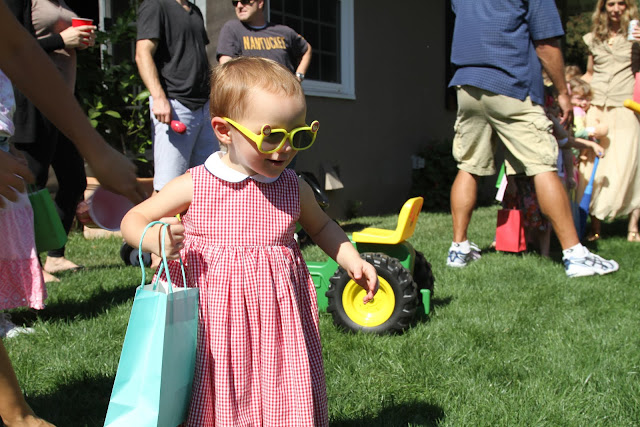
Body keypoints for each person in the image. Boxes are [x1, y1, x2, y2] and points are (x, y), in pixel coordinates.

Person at [121, 57, 379, 426]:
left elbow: (322, 227)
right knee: (218, 385)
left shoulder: (293, 187)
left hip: (277, 319)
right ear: (224, 131)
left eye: (298, 136)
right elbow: (133, 219)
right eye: (271, 135)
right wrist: (155, 237)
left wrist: (352, 259)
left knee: (279, 382)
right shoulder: (196, 184)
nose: (285, 148)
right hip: (213, 320)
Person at [447, 0, 619, 277]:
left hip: (467, 85)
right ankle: (575, 255)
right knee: (542, 165)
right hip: (511, 84)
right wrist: (562, 92)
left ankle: (459, 248)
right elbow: (546, 44)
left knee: (469, 165)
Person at [6, 0, 99, 281]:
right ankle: (31, 262)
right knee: (32, 182)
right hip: (32, 103)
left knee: (74, 179)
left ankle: (55, 255)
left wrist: (80, 40)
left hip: (62, 105)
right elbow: (12, 48)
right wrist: (61, 40)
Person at [135, 0, 218, 194]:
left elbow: (200, 56)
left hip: (204, 106)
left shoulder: (194, 11)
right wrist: (159, 98)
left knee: (207, 182)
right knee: (167, 188)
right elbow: (142, 53)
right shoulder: (155, 5)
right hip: (175, 106)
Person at [580, 0, 640, 243]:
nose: (615, 9)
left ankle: (633, 228)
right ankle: (595, 227)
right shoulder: (593, 38)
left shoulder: (636, 36)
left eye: (621, 4)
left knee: (628, 166)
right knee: (593, 167)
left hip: (626, 107)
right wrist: (568, 93)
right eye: (610, 4)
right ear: (603, 8)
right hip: (596, 107)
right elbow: (590, 74)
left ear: (628, 7)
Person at [217, 0, 312, 81]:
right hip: (253, 94)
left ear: (260, 3)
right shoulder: (232, 29)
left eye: (245, 1)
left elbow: (306, 49)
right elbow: (226, 69)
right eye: (235, 2)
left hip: (285, 93)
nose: (239, 6)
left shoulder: (284, 32)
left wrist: (299, 76)